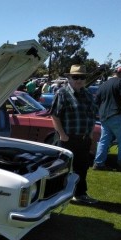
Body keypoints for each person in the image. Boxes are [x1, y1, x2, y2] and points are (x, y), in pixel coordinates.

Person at [50, 64, 98, 204]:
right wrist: (63, 135)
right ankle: (57, 194)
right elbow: (55, 116)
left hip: (83, 138)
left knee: (82, 168)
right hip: (67, 138)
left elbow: (92, 115)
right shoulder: (62, 93)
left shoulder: (88, 94)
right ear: (69, 78)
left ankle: (80, 194)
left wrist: (90, 134)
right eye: (76, 77)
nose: (79, 80)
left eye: (82, 77)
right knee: (62, 168)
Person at [93, 66, 121, 170]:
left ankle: (98, 163)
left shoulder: (103, 85)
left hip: (104, 117)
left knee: (104, 140)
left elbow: (96, 102)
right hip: (117, 115)